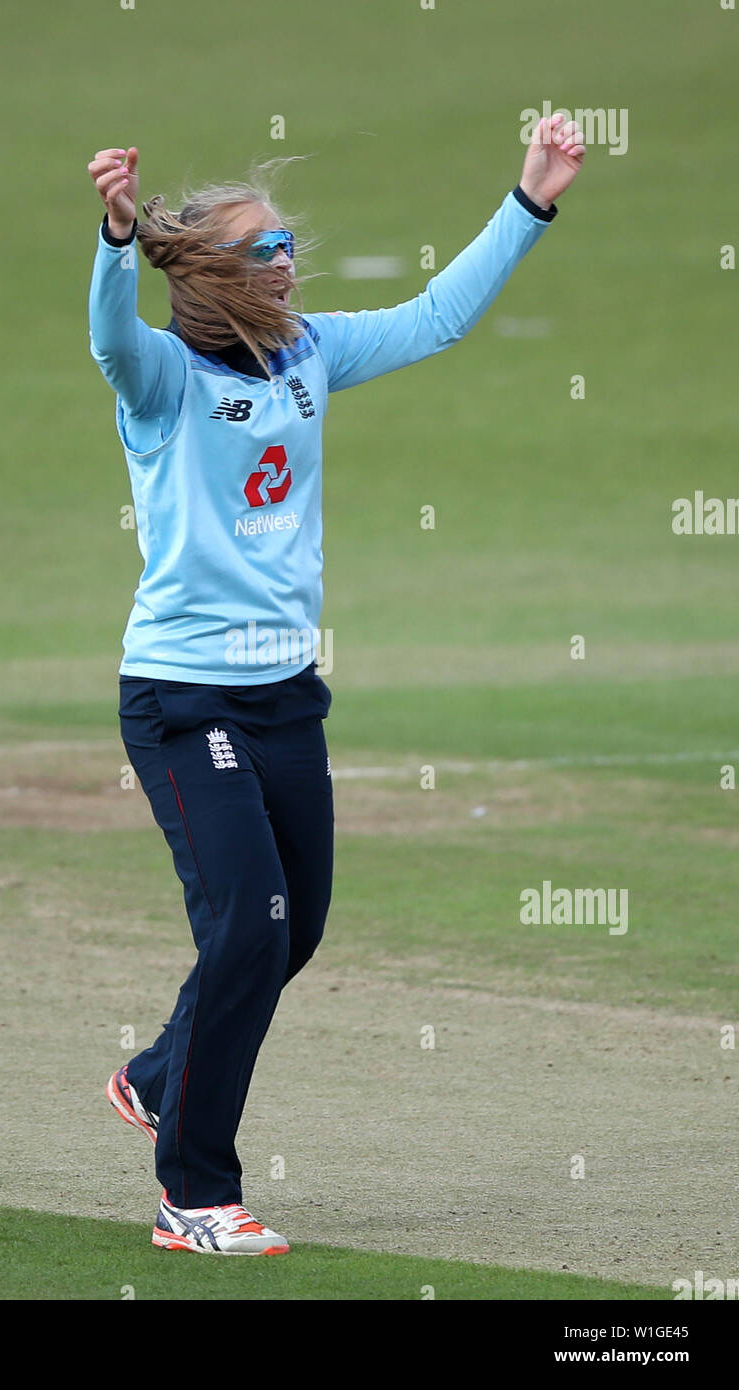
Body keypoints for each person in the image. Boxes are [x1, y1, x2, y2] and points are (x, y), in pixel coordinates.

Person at [87, 115, 585, 1256]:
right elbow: (114, 334)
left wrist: (531, 197)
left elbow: (435, 318)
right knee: (252, 924)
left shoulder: (309, 352)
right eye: (267, 248)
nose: (289, 259)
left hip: (284, 697)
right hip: (182, 698)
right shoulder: (162, 378)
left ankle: (160, 1074)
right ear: (217, 275)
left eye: (288, 240)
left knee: (292, 924)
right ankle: (193, 1192)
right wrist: (116, 235)